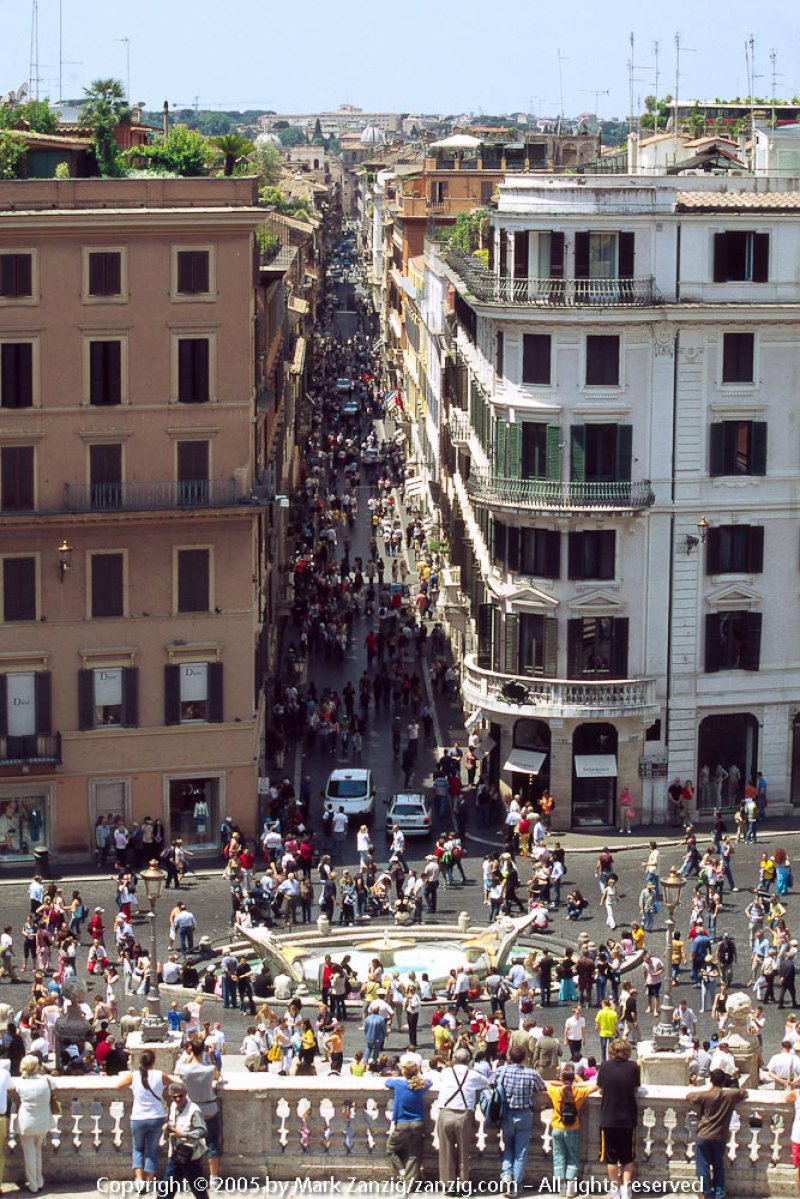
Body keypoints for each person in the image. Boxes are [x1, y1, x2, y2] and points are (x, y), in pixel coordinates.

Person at [114, 1048, 174, 1187]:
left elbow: (119, 1086)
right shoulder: (160, 1075)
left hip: (138, 1118)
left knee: (137, 1149)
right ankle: (150, 1180)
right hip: (157, 1117)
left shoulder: (134, 1076)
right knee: (152, 1149)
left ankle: (139, 1180)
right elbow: (172, 1082)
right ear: (154, 1062)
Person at [686, 1069, 747, 1199]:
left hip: (704, 1135)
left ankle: (706, 1193)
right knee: (718, 1165)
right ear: (724, 1081)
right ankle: (720, 1193)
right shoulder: (730, 1095)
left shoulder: (705, 1095)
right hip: (720, 1136)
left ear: (710, 1080)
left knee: (703, 1167)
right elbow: (744, 1092)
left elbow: (689, 1096)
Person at [492, 1045, 546, 1189]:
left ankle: (506, 1174)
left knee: (508, 1146)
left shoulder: (502, 1071)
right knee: (521, 1151)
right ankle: (515, 1185)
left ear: (509, 1057)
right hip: (524, 1114)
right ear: (524, 1058)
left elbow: (490, 1082)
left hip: (507, 1114)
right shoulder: (532, 1074)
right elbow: (542, 1087)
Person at [596, 1038, 640, 1199]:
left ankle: (615, 1190)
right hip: (628, 1118)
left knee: (611, 1158)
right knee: (628, 1157)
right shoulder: (634, 1067)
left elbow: (600, 1087)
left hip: (608, 1118)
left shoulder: (605, 1067)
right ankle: (626, 1190)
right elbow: (636, 1087)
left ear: (612, 1052)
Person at [436, 1048, 487, 1184]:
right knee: (464, 1151)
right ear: (469, 1061)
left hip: (446, 1112)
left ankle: (448, 1183)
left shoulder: (446, 1073)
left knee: (446, 1151)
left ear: (453, 1060)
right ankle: (463, 1182)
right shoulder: (473, 1075)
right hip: (464, 1114)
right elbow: (487, 1083)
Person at [545, 1062, 597, 1196]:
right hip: (573, 1128)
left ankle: (561, 1186)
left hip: (557, 1127)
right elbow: (595, 1086)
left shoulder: (556, 1091)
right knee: (573, 1157)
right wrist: (577, 1081)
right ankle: (571, 1187)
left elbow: (544, 1082)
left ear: (561, 1079)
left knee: (558, 1156)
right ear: (573, 1079)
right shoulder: (578, 1092)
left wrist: (558, 1082)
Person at [176, 1040, 222, 1179]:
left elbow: (180, 1072)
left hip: (192, 1111)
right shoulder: (209, 1069)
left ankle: (189, 1176)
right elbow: (218, 1076)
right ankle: (213, 1177)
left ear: (191, 1049)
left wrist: (191, 1055)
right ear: (203, 1050)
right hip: (209, 1109)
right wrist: (209, 1056)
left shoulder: (184, 1069)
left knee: (189, 1143)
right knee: (212, 1143)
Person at [384, 1061, 431, 1186]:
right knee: (415, 1153)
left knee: (391, 1147)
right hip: (417, 1122)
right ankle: (409, 1181)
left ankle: (402, 1170)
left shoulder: (399, 1084)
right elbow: (429, 1082)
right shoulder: (420, 1085)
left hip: (402, 1124)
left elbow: (387, 1082)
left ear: (404, 1072)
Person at [12, 1055, 53, 1195]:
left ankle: (33, 1185)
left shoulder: (20, 1083)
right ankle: (39, 1180)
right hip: (42, 1121)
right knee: (38, 1152)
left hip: (26, 1122)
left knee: (29, 1154)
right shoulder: (47, 1080)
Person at [163, 1080, 208, 1197]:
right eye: (174, 1097)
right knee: (166, 1189)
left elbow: (202, 1131)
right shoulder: (173, 1106)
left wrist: (183, 1134)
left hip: (190, 1156)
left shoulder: (194, 1110)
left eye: (180, 1096)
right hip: (175, 1154)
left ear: (185, 1094)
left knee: (199, 1190)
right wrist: (167, 1128)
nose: (178, 1099)